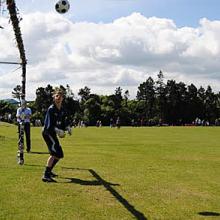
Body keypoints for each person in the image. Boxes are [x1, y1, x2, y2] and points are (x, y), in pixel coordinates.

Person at [42, 88, 72, 182]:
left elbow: (63, 122)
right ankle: (46, 175)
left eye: (60, 96)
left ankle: (49, 171)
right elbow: (48, 125)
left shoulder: (62, 109)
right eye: (56, 96)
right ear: (54, 98)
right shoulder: (51, 109)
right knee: (55, 153)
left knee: (59, 154)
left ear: (63, 98)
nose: (58, 97)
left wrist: (67, 127)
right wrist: (57, 130)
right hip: (48, 133)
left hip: (52, 133)